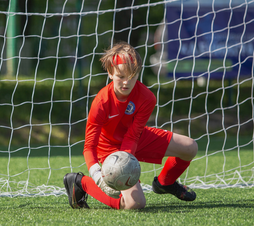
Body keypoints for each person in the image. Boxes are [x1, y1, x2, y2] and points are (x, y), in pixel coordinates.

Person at [63, 41, 198, 209]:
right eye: (121, 76)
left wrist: (127, 161)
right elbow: (89, 146)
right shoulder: (101, 102)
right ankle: (79, 182)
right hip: (108, 148)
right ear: (111, 73)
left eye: (132, 76)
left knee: (190, 147)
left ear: (138, 73)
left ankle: (165, 183)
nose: (126, 82)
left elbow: (133, 135)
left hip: (135, 139)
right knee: (135, 204)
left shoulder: (147, 98)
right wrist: (97, 175)